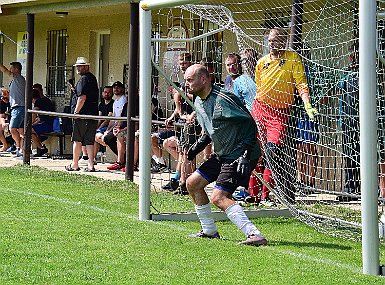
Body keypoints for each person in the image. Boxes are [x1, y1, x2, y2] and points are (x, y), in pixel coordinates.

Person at [184, 64, 267, 246]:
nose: (186, 84)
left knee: (219, 197)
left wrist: (245, 155)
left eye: (189, 80)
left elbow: (249, 125)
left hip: (240, 154)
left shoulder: (224, 98)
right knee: (193, 184)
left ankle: (255, 235)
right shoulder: (198, 101)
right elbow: (210, 130)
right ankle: (209, 231)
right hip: (222, 154)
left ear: (203, 79)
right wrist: (196, 147)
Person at [251, 28, 318, 204]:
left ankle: (266, 195)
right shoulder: (261, 62)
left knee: (273, 152)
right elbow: (259, 87)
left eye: (275, 39)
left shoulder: (293, 58)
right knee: (254, 151)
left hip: (279, 113)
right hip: (259, 109)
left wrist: (307, 105)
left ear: (284, 41)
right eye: (269, 40)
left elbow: (301, 84)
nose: (271, 42)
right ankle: (253, 195)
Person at [65, 56, 99, 172]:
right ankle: (90, 165)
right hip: (91, 114)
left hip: (82, 115)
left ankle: (74, 164)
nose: (78, 68)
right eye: (77, 66)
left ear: (87, 66)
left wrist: (76, 112)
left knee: (77, 140)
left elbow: (82, 98)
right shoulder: (93, 78)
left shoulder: (84, 79)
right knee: (89, 141)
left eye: (81, 66)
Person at [337, 43, 360, 197]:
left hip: (366, 122)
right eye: (352, 54)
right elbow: (340, 94)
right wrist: (340, 118)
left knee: (366, 155)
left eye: (356, 54)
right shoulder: (346, 73)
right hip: (347, 121)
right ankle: (350, 189)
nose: (353, 57)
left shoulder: (371, 72)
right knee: (349, 155)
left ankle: (371, 189)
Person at [0, 61, 26, 157]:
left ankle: (19, 147)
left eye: (11, 68)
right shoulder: (16, 81)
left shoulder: (18, 77)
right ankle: (21, 149)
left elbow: (5, 71)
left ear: (16, 69)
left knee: (12, 129)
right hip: (16, 107)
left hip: (19, 108)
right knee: (20, 130)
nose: (10, 70)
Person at [101, 81, 127, 170]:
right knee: (105, 137)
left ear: (123, 89)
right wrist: (107, 130)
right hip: (116, 126)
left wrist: (116, 128)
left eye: (118, 87)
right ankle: (122, 160)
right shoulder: (116, 101)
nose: (116, 89)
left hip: (122, 126)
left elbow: (122, 117)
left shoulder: (124, 100)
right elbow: (113, 118)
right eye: (114, 87)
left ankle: (123, 161)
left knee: (109, 138)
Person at [31, 88, 55, 157]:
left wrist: (30, 124)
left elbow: (34, 113)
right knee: (32, 133)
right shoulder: (45, 100)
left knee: (28, 130)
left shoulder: (38, 102)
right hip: (50, 123)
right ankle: (40, 147)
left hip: (47, 125)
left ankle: (41, 148)